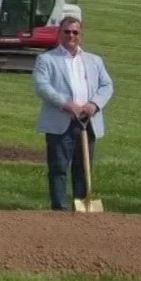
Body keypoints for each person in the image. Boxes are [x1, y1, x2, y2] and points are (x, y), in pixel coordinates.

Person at [33, 17, 115, 211]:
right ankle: (60, 208)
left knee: (84, 167)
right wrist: (66, 104)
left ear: (81, 35)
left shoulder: (94, 60)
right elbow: (42, 86)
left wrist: (94, 105)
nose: (71, 36)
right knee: (59, 168)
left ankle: (82, 204)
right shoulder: (46, 59)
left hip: (88, 122)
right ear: (59, 33)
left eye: (75, 32)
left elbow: (107, 85)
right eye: (67, 32)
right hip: (61, 121)